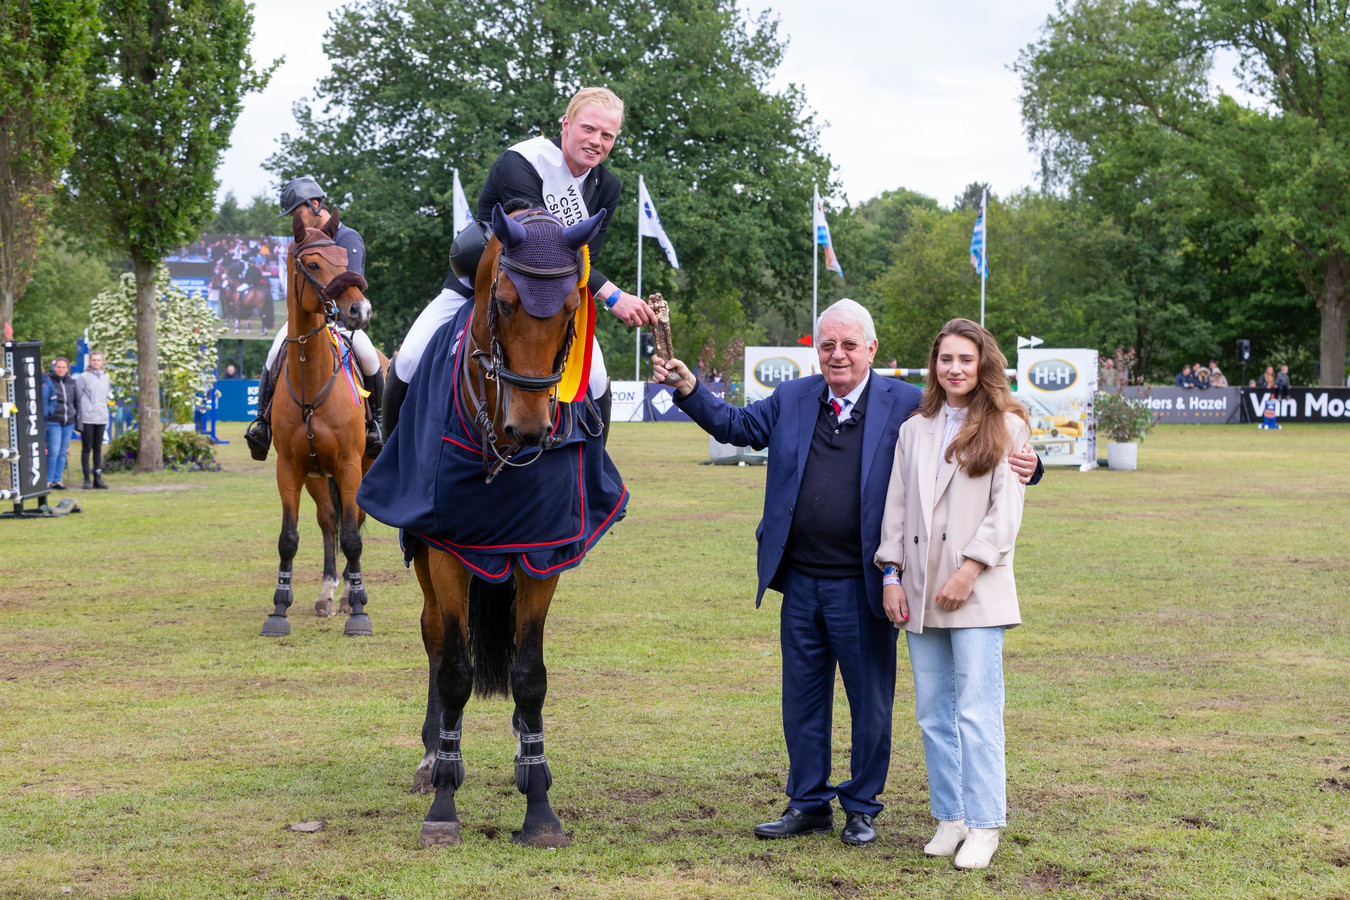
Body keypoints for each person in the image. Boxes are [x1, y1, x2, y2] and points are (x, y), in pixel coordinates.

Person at [651, 299, 1042, 848]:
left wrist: (1034, 464)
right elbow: (737, 426)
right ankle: (807, 802)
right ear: (817, 349)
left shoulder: (909, 403)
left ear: (871, 350)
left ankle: (862, 806)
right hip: (801, 580)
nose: (838, 355)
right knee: (803, 698)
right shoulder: (792, 398)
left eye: (850, 345)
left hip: (868, 582)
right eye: (828, 344)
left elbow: (984, 435)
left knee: (871, 702)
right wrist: (690, 388)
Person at [383, 87, 656, 443]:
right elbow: (541, 246)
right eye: (588, 129)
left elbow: (585, 259)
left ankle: (593, 473)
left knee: (597, 376)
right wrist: (614, 296)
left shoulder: (608, 187)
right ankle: (389, 465)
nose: (596, 141)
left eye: (608, 135)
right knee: (408, 359)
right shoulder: (522, 162)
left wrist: (601, 291)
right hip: (481, 289)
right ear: (566, 124)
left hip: (551, 301)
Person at [874, 318, 1030, 871]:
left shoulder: (1007, 423)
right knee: (933, 713)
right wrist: (891, 574)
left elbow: (1006, 509)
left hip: (976, 591)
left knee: (977, 710)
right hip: (918, 590)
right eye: (946, 359)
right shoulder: (915, 428)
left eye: (965, 359)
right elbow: (895, 506)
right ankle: (952, 816)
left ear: (982, 364)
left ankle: (986, 823)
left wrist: (968, 569)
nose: (955, 369)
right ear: (934, 365)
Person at [244, 176, 385, 461]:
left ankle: (376, 424)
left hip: (341, 323)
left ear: (315, 204)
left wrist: (335, 315)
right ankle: (262, 424)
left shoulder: (347, 238)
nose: (294, 220)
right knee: (273, 353)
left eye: (297, 213)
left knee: (368, 356)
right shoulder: (297, 244)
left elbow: (352, 283)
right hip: (306, 320)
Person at [74, 350, 112, 489]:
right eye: (94, 360)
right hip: (87, 417)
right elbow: (78, 397)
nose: (96, 362)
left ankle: (97, 477)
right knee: (87, 448)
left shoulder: (106, 376)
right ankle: (86, 479)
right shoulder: (83, 377)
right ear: (90, 361)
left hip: (101, 416)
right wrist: (79, 416)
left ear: (102, 361)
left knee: (98, 448)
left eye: (98, 360)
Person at [42, 357, 78, 491]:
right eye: (58, 367)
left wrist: (76, 419)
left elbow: (76, 401)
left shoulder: (72, 383)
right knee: (53, 451)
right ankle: (48, 480)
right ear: (54, 367)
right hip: (54, 421)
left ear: (67, 369)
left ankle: (58, 480)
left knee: (63, 452)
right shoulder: (49, 382)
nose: (61, 369)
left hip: (68, 421)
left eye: (63, 367)